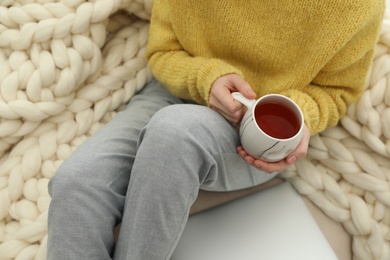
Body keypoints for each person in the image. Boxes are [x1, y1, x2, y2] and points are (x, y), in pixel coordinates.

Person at [47, 0, 384, 259]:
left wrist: (300, 116)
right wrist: (208, 80)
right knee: (77, 183)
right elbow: (164, 50)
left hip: (257, 130)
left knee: (175, 133)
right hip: (172, 93)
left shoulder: (355, 6)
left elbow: (337, 91)